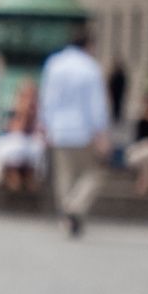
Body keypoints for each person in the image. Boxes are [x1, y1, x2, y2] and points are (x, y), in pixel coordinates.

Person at [40, 27, 109, 236]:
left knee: (64, 177)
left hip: (59, 128)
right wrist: (101, 132)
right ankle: (74, 208)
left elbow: (47, 97)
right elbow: (96, 103)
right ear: (88, 45)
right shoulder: (90, 67)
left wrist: (44, 124)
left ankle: (67, 217)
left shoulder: (54, 64)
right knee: (93, 175)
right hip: (83, 130)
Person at [0, 80, 47, 191]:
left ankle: (25, 183)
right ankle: (12, 182)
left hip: (33, 145)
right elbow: (14, 130)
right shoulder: (16, 109)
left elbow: (39, 131)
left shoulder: (40, 111)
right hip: (18, 143)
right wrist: (22, 113)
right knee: (10, 152)